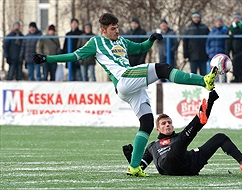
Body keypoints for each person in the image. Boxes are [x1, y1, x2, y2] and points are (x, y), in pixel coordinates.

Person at [33, 13, 218, 177]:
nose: (117, 31)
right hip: (123, 79)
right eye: (113, 29)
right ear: (103, 30)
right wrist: (47, 58)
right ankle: (204, 81)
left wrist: (151, 39)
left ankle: (134, 167)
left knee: (146, 122)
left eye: (117, 27)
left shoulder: (121, 41)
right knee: (163, 68)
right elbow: (73, 56)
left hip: (131, 87)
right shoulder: (96, 42)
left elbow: (139, 48)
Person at [123, 90, 242, 176]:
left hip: (189, 164)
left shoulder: (178, 136)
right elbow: (139, 167)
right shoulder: (153, 146)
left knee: (220, 137)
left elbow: (187, 135)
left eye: (169, 122)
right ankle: (198, 119)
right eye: (164, 124)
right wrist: (131, 158)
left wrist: (210, 101)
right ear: (158, 129)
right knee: (181, 141)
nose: (168, 125)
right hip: (169, 166)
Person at [226, 13, 242, 83]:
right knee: (237, 62)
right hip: (234, 50)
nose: (236, 20)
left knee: (236, 60)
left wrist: (237, 33)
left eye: (238, 18)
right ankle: (241, 78)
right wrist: (227, 52)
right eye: (235, 18)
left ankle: (238, 77)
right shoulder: (231, 28)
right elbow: (228, 41)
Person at [206, 17, 228, 83]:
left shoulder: (225, 32)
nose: (218, 23)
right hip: (213, 54)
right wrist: (209, 52)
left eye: (220, 22)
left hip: (221, 54)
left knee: (222, 70)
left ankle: (224, 84)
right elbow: (207, 43)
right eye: (217, 22)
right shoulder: (212, 32)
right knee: (214, 71)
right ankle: (215, 83)